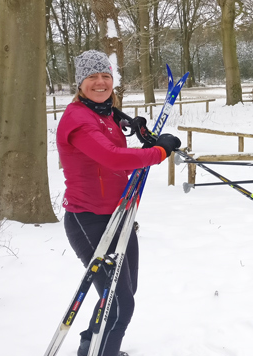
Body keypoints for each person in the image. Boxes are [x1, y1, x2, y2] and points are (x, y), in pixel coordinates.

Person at [57, 50, 181, 356]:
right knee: (119, 302)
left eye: (106, 76)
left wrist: (128, 122)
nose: (100, 82)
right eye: (92, 77)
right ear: (79, 82)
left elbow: (119, 163)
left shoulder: (105, 114)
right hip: (89, 219)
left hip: (119, 215)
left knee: (120, 295)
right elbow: (111, 157)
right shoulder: (77, 120)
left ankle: (92, 349)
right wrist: (159, 152)